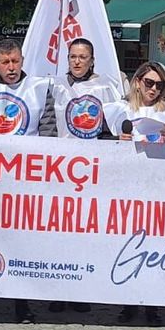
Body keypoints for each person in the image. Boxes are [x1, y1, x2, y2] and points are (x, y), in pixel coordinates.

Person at [0, 39, 54, 325]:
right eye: (5, 62)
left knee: (22, 241)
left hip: (25, 181)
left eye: (15, 61)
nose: (12, 67)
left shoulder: (39, 88)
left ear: (22, 60)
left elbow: (48, 131)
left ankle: (22, 302)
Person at [108, 62, 165, 326]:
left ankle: (153, 304)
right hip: (130, 186)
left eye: (159, 85)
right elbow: (107, 148)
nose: (153, 89)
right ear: (138, 82)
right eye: (149, 83)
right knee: (129, 244)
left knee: (155, 246)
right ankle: (128, 301)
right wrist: (118, 141)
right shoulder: (121, 110)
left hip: (160, 187)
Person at [46, 39, 122, 314]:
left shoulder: (106, 86)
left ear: (92, 60)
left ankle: (81, 290)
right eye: (73, 56)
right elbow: (47, 123)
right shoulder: (54, 85)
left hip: (91, 171)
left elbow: (113, 127)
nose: (77, 61)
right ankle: (58, 290)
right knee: (60, 233)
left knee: (85, 233)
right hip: (61, 169)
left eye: (83, 57)